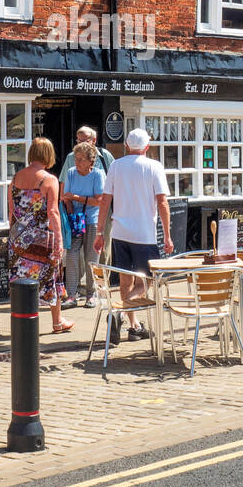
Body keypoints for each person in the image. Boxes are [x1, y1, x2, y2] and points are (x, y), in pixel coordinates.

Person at [94, 128, 173, 342]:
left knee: (125, 281)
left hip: (120, 233)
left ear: (127, 146)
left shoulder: (116, 166)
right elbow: (163, 203)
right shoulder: (154, 166)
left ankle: (134, 325)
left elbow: (104, 201)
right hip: (144, 235)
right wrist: (167, 235)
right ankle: (119, 313)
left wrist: (99, 232)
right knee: (149, 280)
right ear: (147, 147)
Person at [8, 136, 72, 333]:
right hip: (42, 238)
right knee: (50, 277)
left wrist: (13, 236)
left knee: (19, 279)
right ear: (48, 155)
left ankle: (21, 323)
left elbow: (11, 210)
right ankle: (57, 321)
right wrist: (59, 240)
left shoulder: (16, 178)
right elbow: (53, 212)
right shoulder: (49, 180)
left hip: (18, 237)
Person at [61, 141, 106, 307]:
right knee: (72, 257)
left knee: (91, 258)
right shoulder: (71, 173)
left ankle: (91, 294)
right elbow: (66, 197)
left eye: (81, 159)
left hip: (92, 220)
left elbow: (99, 201)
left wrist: (76, 198)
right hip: (76, 220)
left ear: (90, 161)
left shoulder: (98, 175)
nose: (77, 162)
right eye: (76, 159)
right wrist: (72, 214)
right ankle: (71, 295)